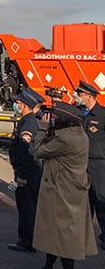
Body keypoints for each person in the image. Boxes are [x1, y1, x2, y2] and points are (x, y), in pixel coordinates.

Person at [32, 101, 98, 268]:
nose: (51, 120)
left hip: (62, 192)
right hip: (72, 190)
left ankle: (63, 265)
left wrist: (42, 129)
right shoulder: (78, 134)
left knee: (64, 235)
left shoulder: (66, 139)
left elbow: (38, 151)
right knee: (57, 232)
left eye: (54, 118)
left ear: (63, 121)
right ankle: (48, 265)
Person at [7, 86, 44, 253]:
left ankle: (26, 242)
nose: (16, 105)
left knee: (26, 207)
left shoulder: (28, 124)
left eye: (18, 103)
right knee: (30, 206)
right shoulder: (28, 121)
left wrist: (21, 176)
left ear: (24, 106)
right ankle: (33, 238)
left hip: (27, 175)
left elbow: (26, 154)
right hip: (30, 173)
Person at [74, 80, 105, 249]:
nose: (77, 97)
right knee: (85, 203)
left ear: (89, 96)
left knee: (101, 201)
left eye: (80, 94)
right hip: (82, 164)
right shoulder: (80, 113)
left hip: (98, 165)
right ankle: (85, 236)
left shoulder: (101, 115)